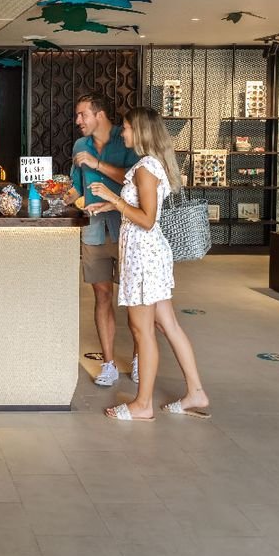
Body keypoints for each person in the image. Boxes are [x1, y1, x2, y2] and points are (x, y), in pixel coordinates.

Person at [88, 106, 211, 421]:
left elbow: (146, 219)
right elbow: (141, 208)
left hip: (143, 258)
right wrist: (110, 206)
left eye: (127, 128)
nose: (123, 133)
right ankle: (196, 391)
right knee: (168, 325)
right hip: (149, 256)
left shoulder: (145, 168)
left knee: (141, 330)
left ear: (140, 131)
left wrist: (113, 199)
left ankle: (143, 405)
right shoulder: (152, 164)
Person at [67, 93, 141, 387]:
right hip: (94, 230)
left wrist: (97, 164)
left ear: (99, 115)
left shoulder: (126, 139)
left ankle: (140, 359)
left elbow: (138, 179)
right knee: (102, 295)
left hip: (127, 229)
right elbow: (76, 187)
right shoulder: (79, 146)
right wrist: (53, 197)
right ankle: (108, 364)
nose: (78, 120)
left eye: (82, 114)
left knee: (135, 299)